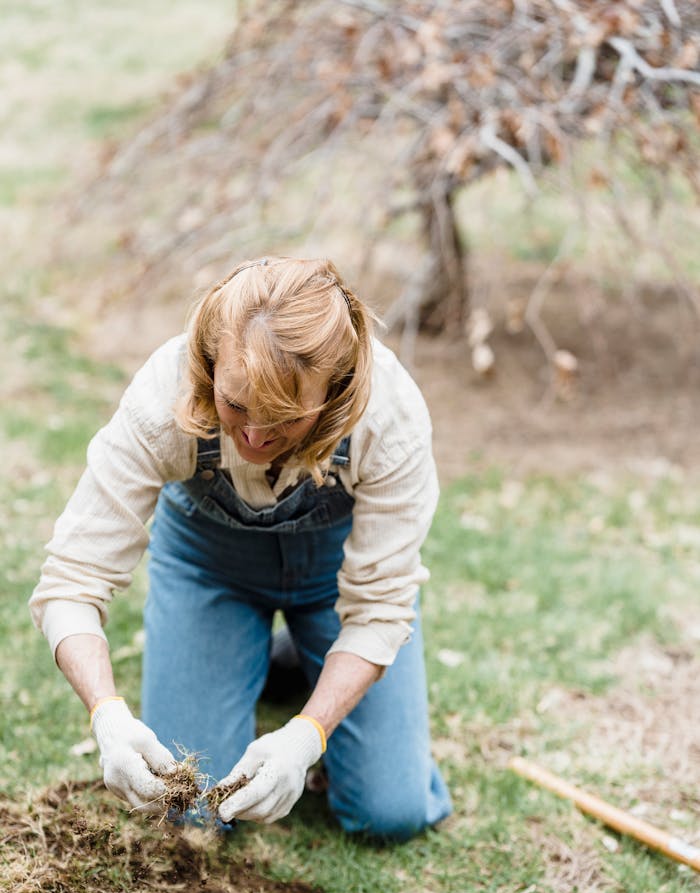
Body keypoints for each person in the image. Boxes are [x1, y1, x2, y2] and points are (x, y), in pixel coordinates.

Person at [29, 257, 452, 841]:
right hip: (210, 570)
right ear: (208, 366)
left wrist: (307, 737)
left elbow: (380, 610)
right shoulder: (164, 397)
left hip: (337, 579)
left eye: (284, 419)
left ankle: (298, 655)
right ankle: (276, 652)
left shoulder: (389, 413)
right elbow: (71, 580)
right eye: (235, 406)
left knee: (390, 814)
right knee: (194, 812)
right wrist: (107, 716)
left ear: (332, 394)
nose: (254, 435)